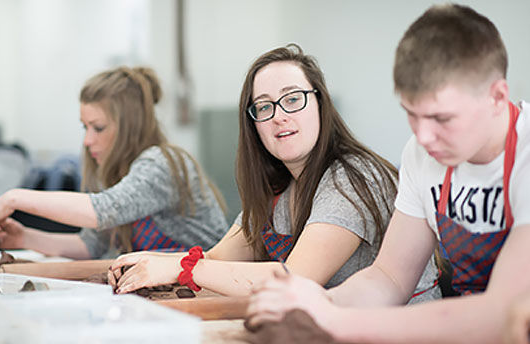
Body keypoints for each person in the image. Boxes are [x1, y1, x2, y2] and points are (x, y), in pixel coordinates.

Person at [246, 4, 530, 343]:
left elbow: (502, 312)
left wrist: (336, 321)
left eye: (442, 119)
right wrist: (314, 303)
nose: (423, 137)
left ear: (497, 97)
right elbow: (389, 278)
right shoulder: (422, 153)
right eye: (412, 114)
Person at [107, 44, 440, 301]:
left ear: (321, 105)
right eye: (264, 106)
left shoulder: (352, 176)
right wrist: (146, 262)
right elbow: (218, 259)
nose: (279, 116)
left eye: (292, 99)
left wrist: (181, 268)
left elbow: (295, 279)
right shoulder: (279, 190)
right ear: (253, 125)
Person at [0, 66, 228, 260]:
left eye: (98, 128)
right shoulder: (110, 174)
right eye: (85, 127)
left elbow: (103, 210)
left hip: (207, 288)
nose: (88, 140)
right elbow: (91, 246)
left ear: (130, 128)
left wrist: (13, 198)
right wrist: (24, 238)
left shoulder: (162, 164)